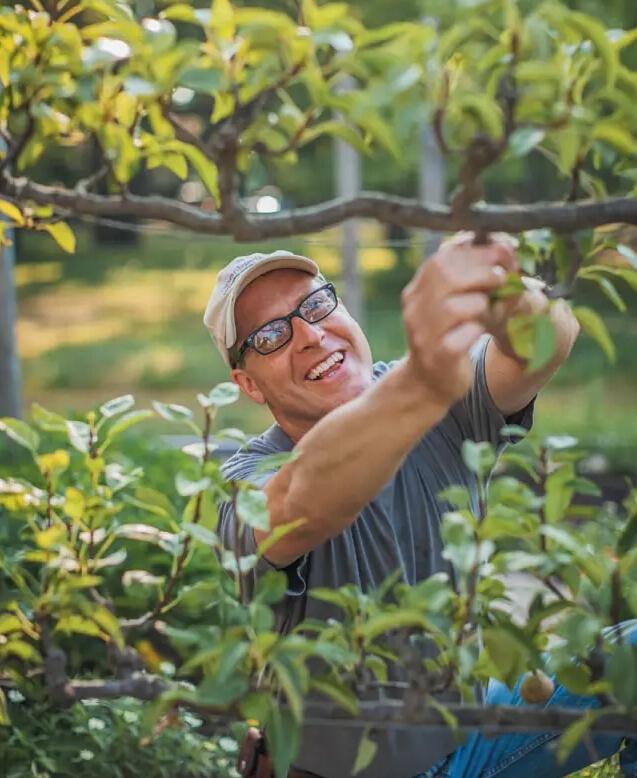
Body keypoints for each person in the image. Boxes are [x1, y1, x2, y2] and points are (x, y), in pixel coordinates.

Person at [202, 236, 633, 778]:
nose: (310, 335)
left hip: (474, 738)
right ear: (247, 384)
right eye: (270, 335)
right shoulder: (243, 480)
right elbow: (303, 501)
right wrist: (429, 375)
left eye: (315, 305)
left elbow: (547, 341)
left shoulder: (422, 388)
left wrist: (501, 292)